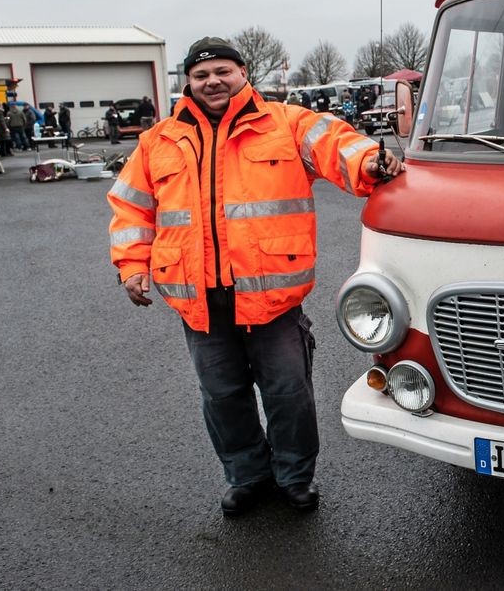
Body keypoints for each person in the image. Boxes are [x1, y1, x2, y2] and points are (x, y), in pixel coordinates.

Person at [107, 36, 402, 518]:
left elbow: (336, 144)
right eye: (201, 75)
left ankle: (294, 478)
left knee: (288, 396)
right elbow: (131, 208)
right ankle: (247, 477)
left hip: (272, 299)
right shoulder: (157, 141)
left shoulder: (285, 123)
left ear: (243, 73)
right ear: (187, 83)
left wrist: (370, 160)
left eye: (222, 71)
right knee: (223, 399)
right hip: (200, 302)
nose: (212, 81)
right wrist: (132, 265)